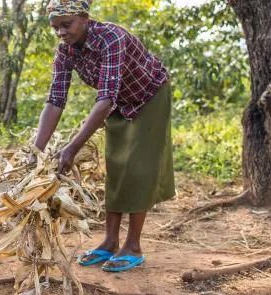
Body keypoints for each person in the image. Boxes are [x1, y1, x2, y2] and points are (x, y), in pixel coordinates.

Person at [31, 0, 175, 272]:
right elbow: (55, 101)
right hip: (120, 101)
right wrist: (36, 151)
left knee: (138, 168)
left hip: (150, 96)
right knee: (116, 165)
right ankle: (109, 241)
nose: (61, 32)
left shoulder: (112, 38)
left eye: (66, 25)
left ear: (84, 18)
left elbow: (106, 98)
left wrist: (71, 148)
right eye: (55, 28)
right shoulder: (65, 52)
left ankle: (133, 245)